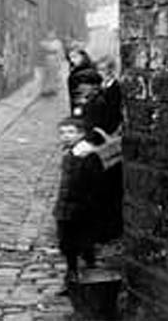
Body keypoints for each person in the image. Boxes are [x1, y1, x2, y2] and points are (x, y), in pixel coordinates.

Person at [53, 115, 104, 294]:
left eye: (71, 132)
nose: (66, 136)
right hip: (65, 206)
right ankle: (73, 277)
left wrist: (86, 206)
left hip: (80, 208)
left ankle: (89, 281)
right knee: (67, 245)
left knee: (83, 243)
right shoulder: (71, 152)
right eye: (62, 133)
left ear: (81, 134)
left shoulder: (86, 155)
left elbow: (95, 184)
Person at [84, 56, 124, 242]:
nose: (99, 74)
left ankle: (109, 230)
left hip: (107, 141)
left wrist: (105, 134)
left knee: (108, 187)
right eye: (99, 70)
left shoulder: (115, 89)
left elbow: (114, 117)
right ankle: (99, 228)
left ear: (110, 70)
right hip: (98, 138)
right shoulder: (104, 87)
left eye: (102, 70)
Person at [66, 47, 101, 117]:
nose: (72, 60)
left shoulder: (84, 74)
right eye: (70, 59)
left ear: (83, 56)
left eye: (75, 57)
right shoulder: (76, 73)